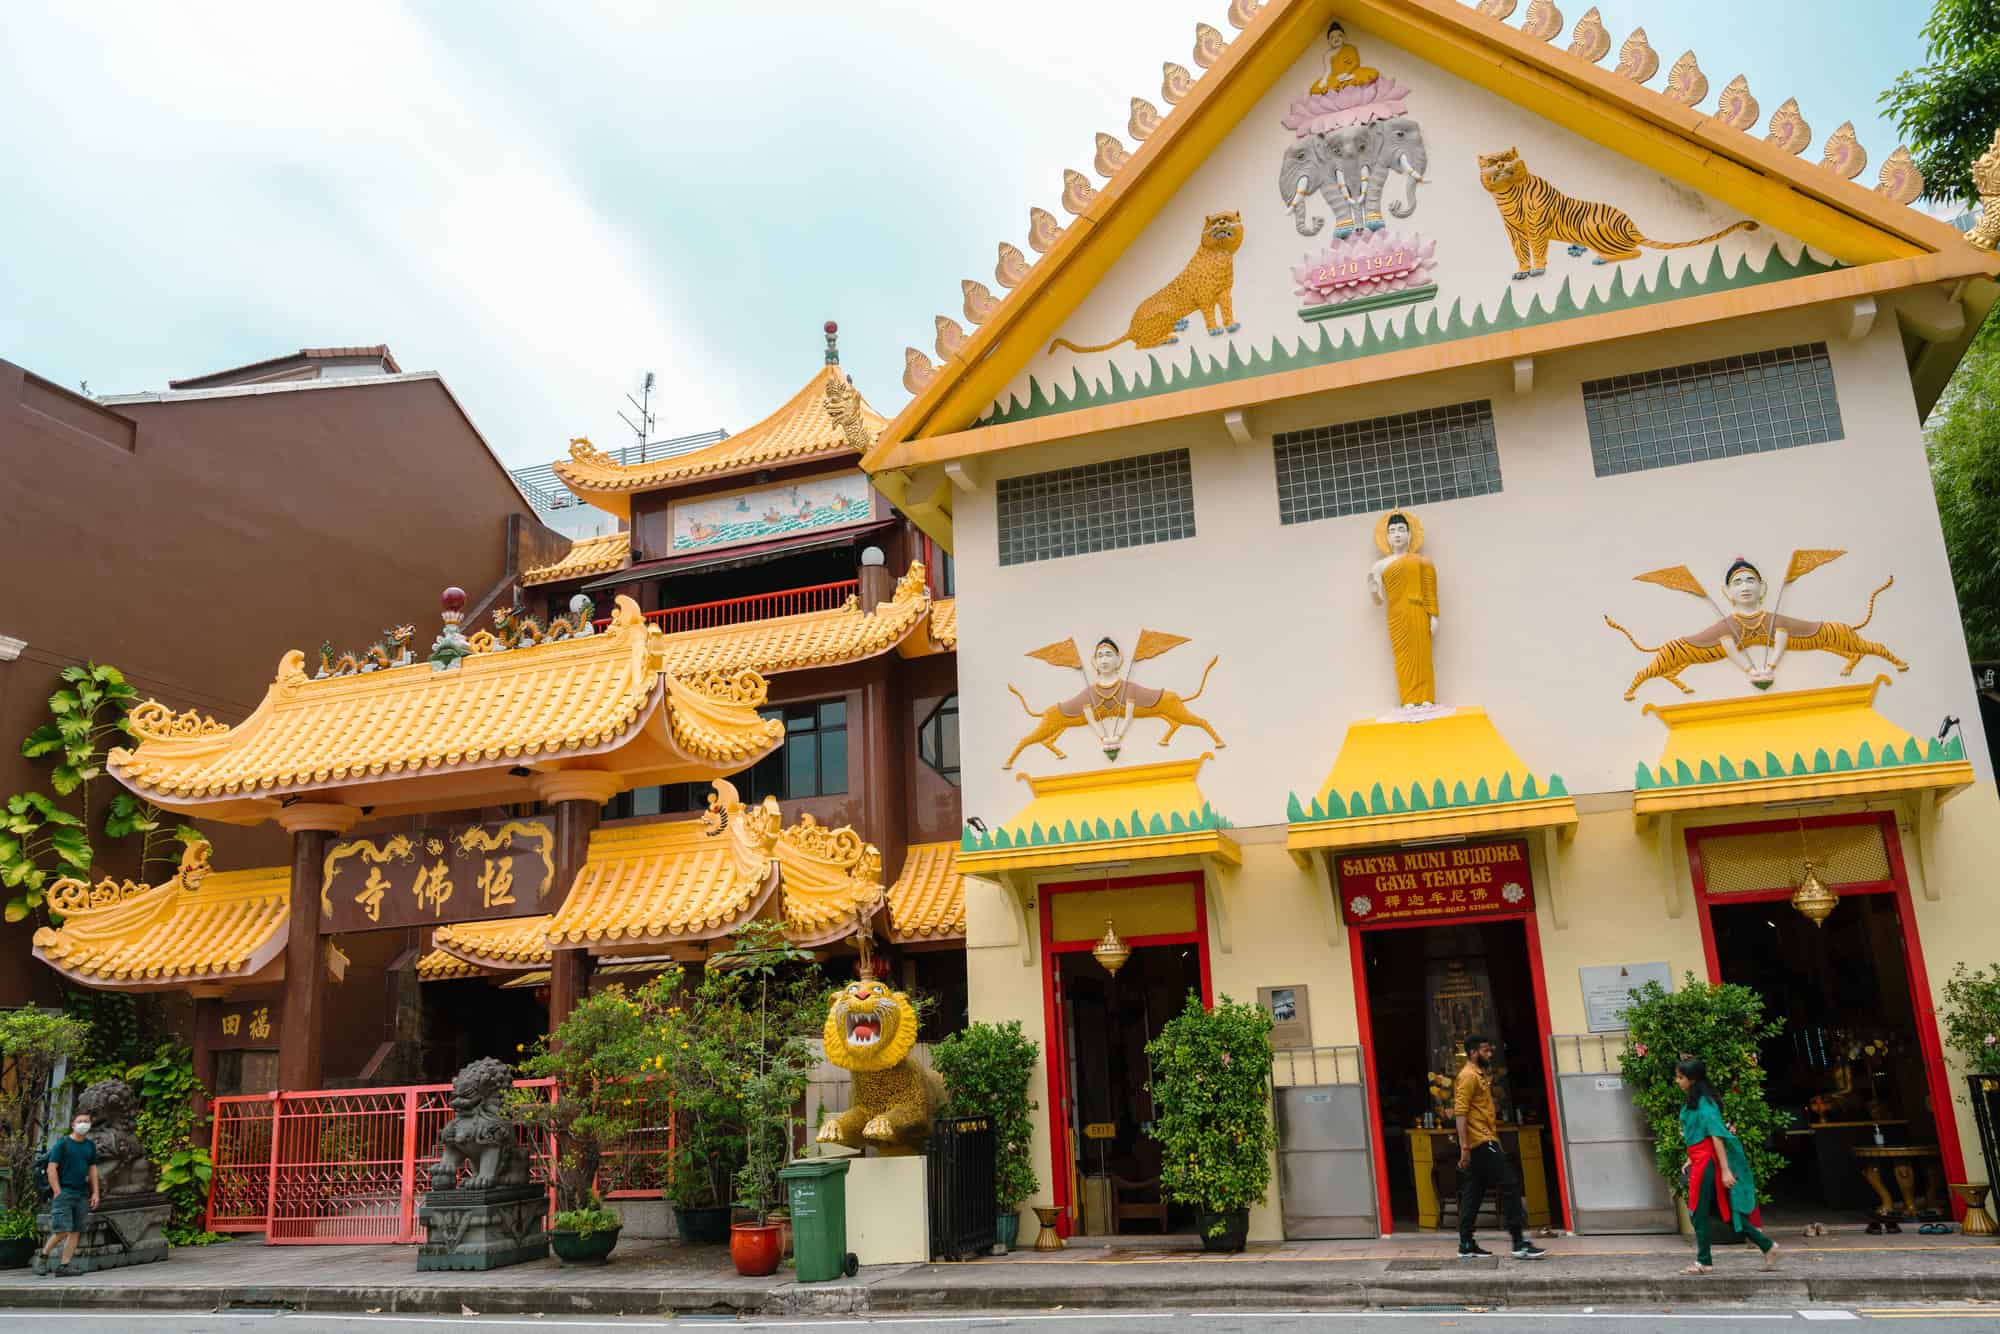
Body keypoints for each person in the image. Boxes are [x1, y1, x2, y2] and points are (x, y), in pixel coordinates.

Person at [1677, 1057, 1778, 1274]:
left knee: (1697, 1211)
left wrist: (1724, 1170)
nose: (1677, 1081)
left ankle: (1704, 1261)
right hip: (1700, 1158)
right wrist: (1690, 1158)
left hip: (1706, 1162)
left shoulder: (1705, 1104)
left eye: (1681, 1077)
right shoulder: (1697, 1101)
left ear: (1692, 1079)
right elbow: (1698, 1135)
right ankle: (1767, 1246)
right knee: (1724, 1212)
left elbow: (1716, 1137)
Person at [1454, 1034, 1546, 1260]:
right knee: (1510, 1184)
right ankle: (1518, 1242)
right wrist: (1464, 1148)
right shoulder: (1467, 1076)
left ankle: (1466, 1243)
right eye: (1485, 1050)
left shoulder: (1479, 1074)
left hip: (1485, 1139)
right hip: (1481, 1141)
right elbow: (1460, 1114)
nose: (1490, 1054)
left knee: (1473, 1192)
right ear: (1473, 1052)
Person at [37, 1109, 99, 1277]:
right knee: (62, 1230)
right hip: (64, 1192)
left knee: (76, 1231)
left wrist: (95, 1193)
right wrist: (57, 1191)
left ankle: (64, 1266)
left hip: (81, 1194)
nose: (83, 1124)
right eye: (80, 1121)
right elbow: (51, 1169)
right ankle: (43, 1257)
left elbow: (92, 1170)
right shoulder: (62, 1144)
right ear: (73, 1124)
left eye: (86, 1121)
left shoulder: (90, 1146)